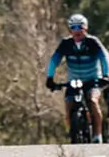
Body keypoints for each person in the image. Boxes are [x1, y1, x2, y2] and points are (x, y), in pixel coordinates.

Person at [46, 13, 109, 142]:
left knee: (92, 101)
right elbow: (54, 60)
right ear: (70, 30)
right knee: (68, 106)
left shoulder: (93, 42)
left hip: (93, 79)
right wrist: (50, 78)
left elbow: (105, 58)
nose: (76, 31)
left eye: (79, 27)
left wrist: (106, 75)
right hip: (74, 81)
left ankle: (97, 135)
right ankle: (73, 132)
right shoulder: (66, 43)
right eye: (73, 28)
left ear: (85, 28)